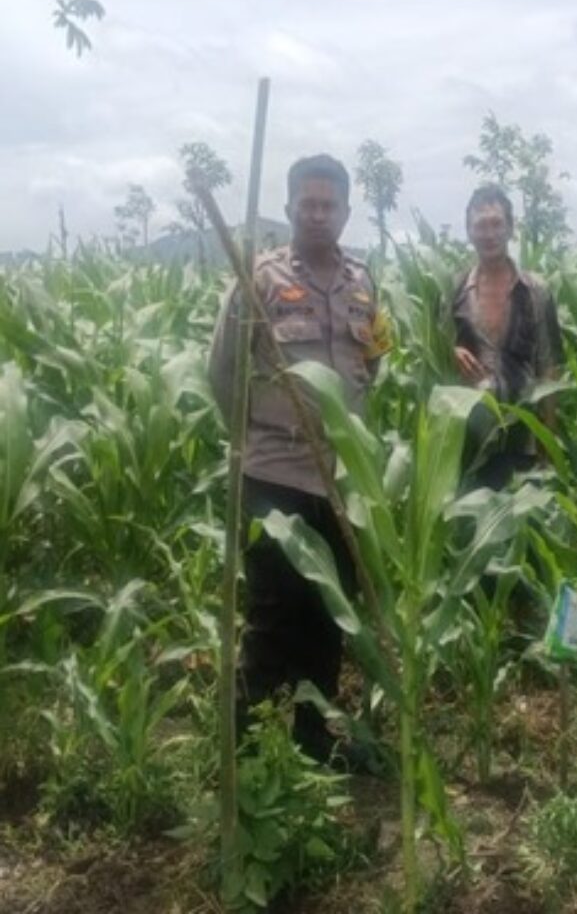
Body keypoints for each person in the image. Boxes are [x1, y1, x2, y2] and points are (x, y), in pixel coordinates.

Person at [208, 153, 390, 764]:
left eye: (328, 204)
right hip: (274, 478)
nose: (317, 213)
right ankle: (247, 755)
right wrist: (260, 433)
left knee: (329, 614)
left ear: (344, 211)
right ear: (289, 208)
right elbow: (223, 371)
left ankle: (313, 743)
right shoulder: (257, 280)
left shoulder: (364, 283)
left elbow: (375, 360)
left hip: (340, 482)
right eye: (306, 203)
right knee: (273, 615)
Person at [452, 184, 564, 490]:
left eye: (496, 223)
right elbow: (434, 352)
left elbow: (549, 367)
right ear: (469, 231)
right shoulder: (455, 289)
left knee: (522, 530)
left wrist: (548, 442)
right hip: (470, 441)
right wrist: (450, 351)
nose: (489, 233)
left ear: (511, 228)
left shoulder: (535, 292)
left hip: (522, 440)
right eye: (480, 225)